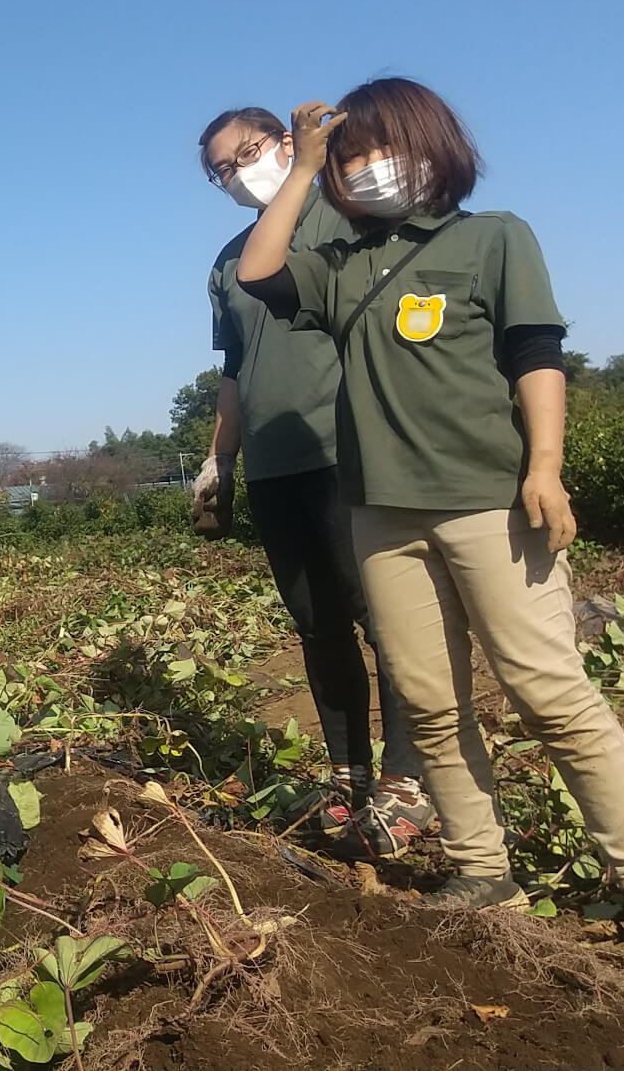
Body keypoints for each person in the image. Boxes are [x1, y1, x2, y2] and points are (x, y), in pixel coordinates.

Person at [236, 76, 624, 925]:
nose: (367, 166)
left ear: (433, 145)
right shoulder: (340, 266)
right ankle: (482, 869)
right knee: (429, 700)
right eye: (352, 154)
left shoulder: (494, 239)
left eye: (382, 146)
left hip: (490, 500)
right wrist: (302, 168)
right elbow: (259, 270)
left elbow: (536, 352)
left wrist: (547, 465)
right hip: (382, 514)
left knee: (550, 692)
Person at [192, 106, 436, 856]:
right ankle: (348, 772)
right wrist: (219, 459)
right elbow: (234, 371)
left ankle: (408, 778)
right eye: (220, 171)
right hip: (272, 464)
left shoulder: (349, 214)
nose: (236, 175)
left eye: (247, 153)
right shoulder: (230, 261)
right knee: (317, 625)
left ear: (288, 143)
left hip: (348, 449)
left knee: (384, 616)